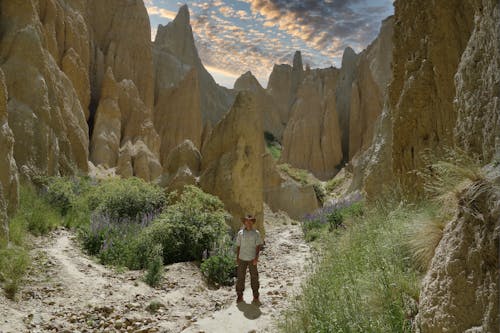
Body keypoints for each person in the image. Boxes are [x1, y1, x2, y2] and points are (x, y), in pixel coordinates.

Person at [235, 214, 263, 304]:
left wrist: (256, 258)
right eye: (247, 221)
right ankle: (240, 296)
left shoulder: (256, 233)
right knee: (240, 277)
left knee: (254, 277)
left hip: (252, 258)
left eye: (250, 221)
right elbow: (238, 246)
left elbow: (258, 246)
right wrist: (237, 257)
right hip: (242, 258)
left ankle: (256, 296)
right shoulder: (240, 233)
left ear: (252, 222)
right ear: (244, 222)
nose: (248, 223)